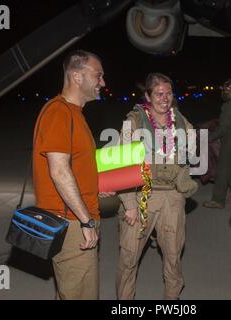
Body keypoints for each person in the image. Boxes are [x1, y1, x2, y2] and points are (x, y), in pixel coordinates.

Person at [33, 50, 111, 299]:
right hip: (72, 223)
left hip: (77, 218)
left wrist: (96, 187)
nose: (102, 82)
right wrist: (86, 220)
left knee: (70, 291)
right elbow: (59, 171)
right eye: (98, 76)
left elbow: (75, 167)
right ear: (77, 76)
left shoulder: (74, 114)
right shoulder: (60, 112)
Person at [116, 73, 198, 300]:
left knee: (173, 258)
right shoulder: (133, 122)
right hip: (141, 197)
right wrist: (129, 204)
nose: (164, 98)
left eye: (169, 93)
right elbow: (122, 165)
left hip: (172, 199)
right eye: (159, 94)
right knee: (129, 258)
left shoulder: (181, 122)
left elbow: (188, 158)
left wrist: (184, 184)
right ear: (148, 96)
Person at [203, 79, 231, 209]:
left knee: (222, 171)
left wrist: (211, 137)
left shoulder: (229, 106)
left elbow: (223, 128)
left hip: (230, 141)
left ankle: (218, 200)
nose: (223, 92)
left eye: (226, 90)